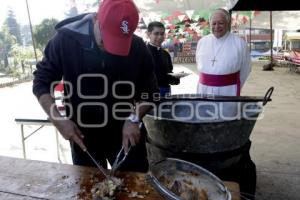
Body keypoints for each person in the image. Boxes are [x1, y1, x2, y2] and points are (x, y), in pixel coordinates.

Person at [33, 0, 158, 172]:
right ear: (96, 20)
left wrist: (134, 118)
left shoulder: (137, 47)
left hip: (126, 135)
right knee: (88, 189)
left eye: (119, 44)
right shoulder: (65, 40)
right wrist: (58, 119)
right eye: (106, 41)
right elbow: (41, 81)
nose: (110, 50)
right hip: (82, 136)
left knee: (135, 189)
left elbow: (151, 92)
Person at [195, 8, 255, 199]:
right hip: (204, 90)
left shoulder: (239, 43)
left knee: (224, 127)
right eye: (213, 23)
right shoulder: (203, 42)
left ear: (228, 23)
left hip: (228, 91)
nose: (216, 26)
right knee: (204, 124)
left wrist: (230, 86)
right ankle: (204, 162)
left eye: (220, 22)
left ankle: (224, 165)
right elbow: (200, 65)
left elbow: (245, 69)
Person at [146, 21, 180, 96]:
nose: (160, 37)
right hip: (149, 94)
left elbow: (169, 73)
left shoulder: (165, 54)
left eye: (162, 34)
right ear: (149, 34)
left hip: (166, 92)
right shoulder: (143, 53)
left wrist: (176, 78)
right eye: (156, 33)